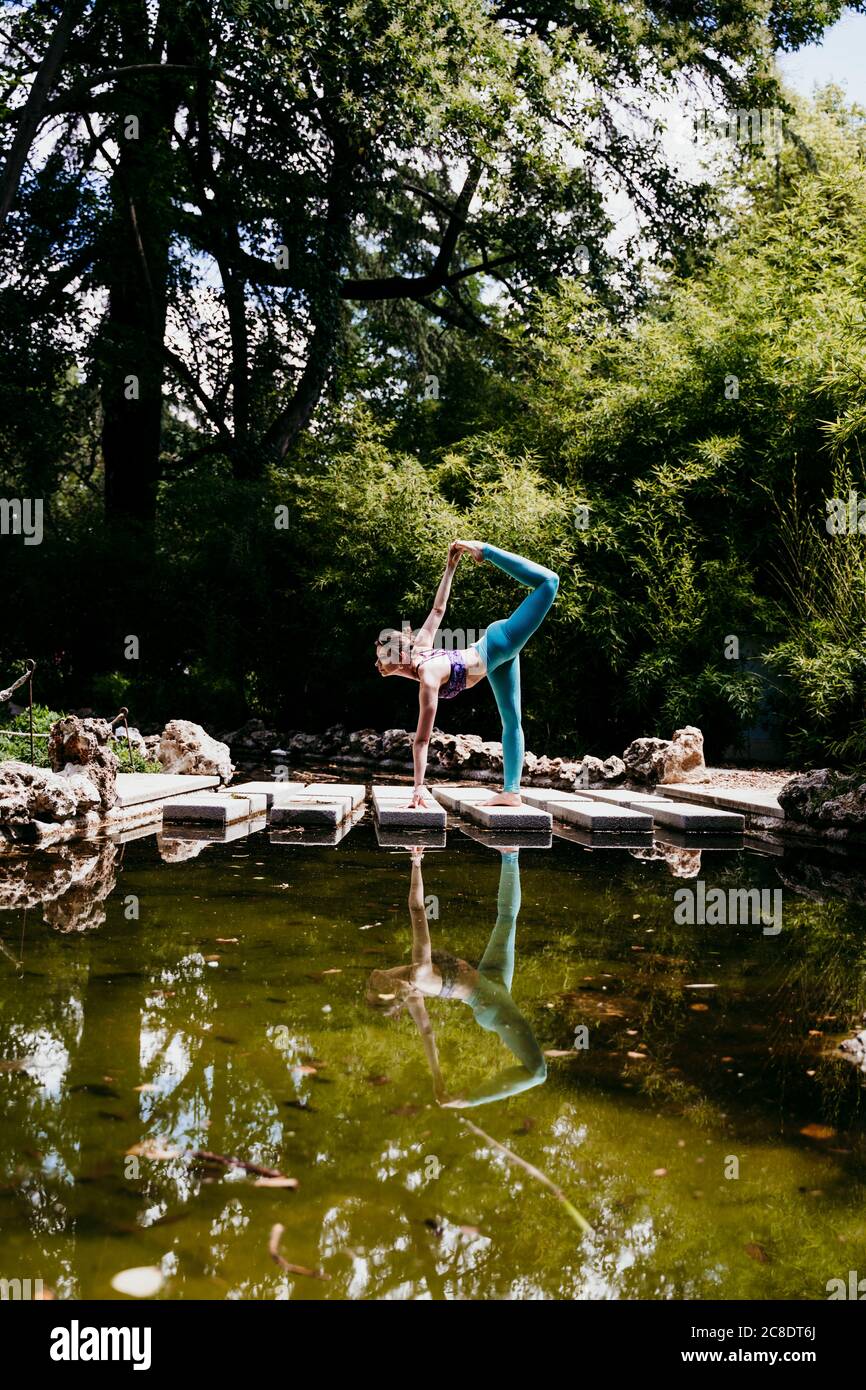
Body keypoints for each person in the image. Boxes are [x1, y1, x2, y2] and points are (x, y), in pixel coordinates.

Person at [374, 541, 559, 807]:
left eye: (382, 657)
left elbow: (422, 740)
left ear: (399, 656)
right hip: (494, 659)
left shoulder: (428, 677)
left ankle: (489, 551)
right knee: (512, 720)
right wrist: (450, 566)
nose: (377, 664)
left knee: (549, 582)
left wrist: (418, 788)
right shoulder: (421, 650)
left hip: (500, 642)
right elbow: (438, 609)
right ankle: (511, 792)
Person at [366, 846, 547, 1108]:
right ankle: (472, 1100)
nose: (371, 977)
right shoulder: (419, 972)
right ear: (384, 981)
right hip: (491, 1004)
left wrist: (438, 1079)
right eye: (373, 985)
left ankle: (510, 853)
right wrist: (416, 861)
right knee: (537, 1072)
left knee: (506, 919)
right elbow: (418, 909)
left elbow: (427, 1033)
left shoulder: (413, 992)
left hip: (489, 983)